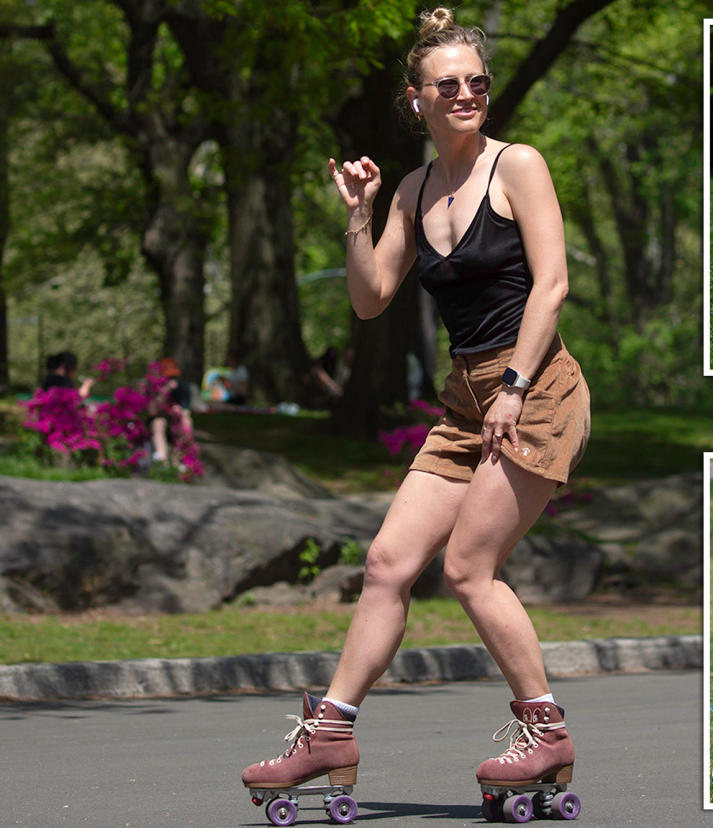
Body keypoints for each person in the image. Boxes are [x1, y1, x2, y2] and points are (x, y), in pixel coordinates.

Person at [242, 7, 591, 806]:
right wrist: (359, 215)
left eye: (477, 82)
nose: (466, 94)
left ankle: (547, 730)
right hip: (465, 403)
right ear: (416, 100)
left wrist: (514, 389)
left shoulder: (518, 166)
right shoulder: (413, 187)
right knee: (388, 564)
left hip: (534, 391)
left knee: (469, 569)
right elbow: (370, 300)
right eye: (449, 85)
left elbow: (554, 284)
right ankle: (330, 732)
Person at [150, 357, 193, 465]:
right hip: (160, 418)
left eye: (174, 376)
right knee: (158, 423)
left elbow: (186, 412)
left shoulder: (183, 386)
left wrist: (178, 412)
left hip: (176, 419)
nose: (172, 380)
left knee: (187, 423)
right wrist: (165, 391)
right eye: (168, 377)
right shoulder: (154, 386)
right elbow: (152, 411)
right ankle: (162, 461)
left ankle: (177, 462)